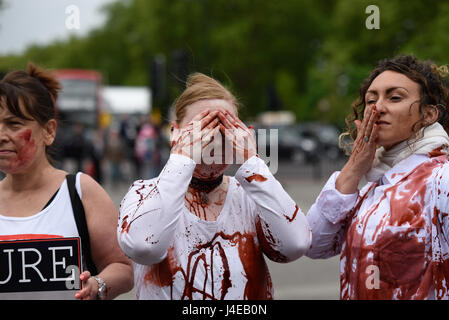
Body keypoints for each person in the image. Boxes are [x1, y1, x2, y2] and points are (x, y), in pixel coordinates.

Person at [117, 73, 312, 300]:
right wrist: (182, 158)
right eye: (203, 127)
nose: (214, 139)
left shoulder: (250, 194)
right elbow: (144, 247)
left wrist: (253, 162)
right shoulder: (143, 192)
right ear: (175, 133)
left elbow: (295, 244)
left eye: (226, 128)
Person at [306, 55, 449, 299]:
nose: (378, 107)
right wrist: (353, 168)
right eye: (371, 99)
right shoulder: (371, 186)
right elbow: (312, 244)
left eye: (395, 97)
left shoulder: (441, 178)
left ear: (429, 115)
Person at [0, 63, 133, 299]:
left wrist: (98, 286)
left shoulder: (80, 192)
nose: (1, 136)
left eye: (14, 124)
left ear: (49, 131)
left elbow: (123, 268)